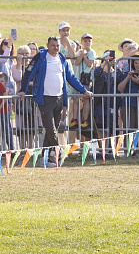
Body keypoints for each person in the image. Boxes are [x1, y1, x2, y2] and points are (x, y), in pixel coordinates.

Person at [20, 36, 93, 167]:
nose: (55, 48)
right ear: (48, 45)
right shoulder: (40, 57)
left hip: (59, 99)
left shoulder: (61, 58)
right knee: (50, 129)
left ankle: (45, 158)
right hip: (45, 99)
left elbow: (71, 77)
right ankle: (59, 152)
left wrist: (84, 91)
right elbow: (28, 73)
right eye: (53, 45)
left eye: (57, 45)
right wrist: (22, 90)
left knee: (52, 130)